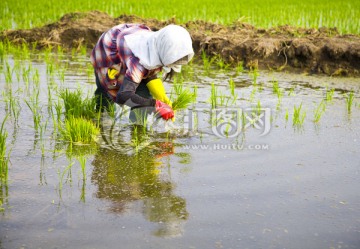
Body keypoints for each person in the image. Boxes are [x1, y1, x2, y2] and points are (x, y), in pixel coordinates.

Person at [90, 23, 194, 122]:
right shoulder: (137, 60)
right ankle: (102, 121)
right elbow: (123, 95)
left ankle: (137, 128)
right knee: (106, 97)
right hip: (109, 52)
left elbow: (148, 68)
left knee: (144, 96)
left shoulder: (155, 46)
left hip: (128, 44)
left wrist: (162, 98)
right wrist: (155, 105)